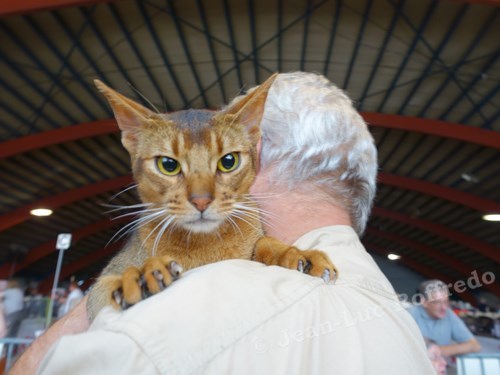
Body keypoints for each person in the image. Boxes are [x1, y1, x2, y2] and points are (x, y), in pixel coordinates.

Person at [14, 72, 434, 374]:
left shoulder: (150, 334)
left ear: (258, 153)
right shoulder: (405, 328)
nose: (201, 195)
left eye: (228, 161)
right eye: (170, 165)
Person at [408, 279, 481, 357]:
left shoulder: (448, 315)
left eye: (446, 301)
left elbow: (474, 345)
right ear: (425, 302)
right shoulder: (410, 315)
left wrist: (439, 350)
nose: (444, 307)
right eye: (438, 302)